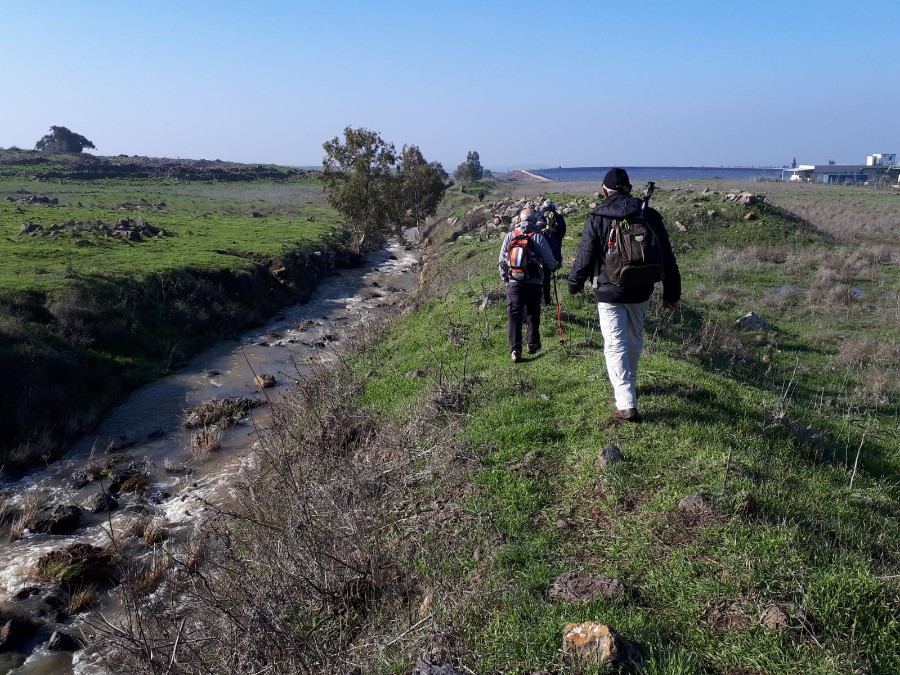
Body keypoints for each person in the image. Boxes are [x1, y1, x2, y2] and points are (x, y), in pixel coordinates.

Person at [567, 168, 681, 422]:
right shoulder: (648, 214)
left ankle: (626, 402)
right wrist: (671, 293)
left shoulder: (597, 216)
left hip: (609, 290)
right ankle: (628, 386)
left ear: (605, 190)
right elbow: (667, 258)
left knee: (615, 344)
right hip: (642, 288)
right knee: (634, 340)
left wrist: (574, 284)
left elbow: (585, 256)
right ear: (628, 188)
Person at [499, 207, 560, 362]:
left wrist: (506, 279)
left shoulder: (510, 236)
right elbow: (548, 259)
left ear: (519, 220)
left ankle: (515, 349)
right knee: (533, 311)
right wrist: (555, 266)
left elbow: (501, 261)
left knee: (515, 314)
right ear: (533, 221)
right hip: (534, 282)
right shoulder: (538, 236)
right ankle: (532, 342)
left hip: (514, 281)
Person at [538, 198, 567, 304]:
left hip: (540, 248)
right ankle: (547, 300)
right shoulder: (558, 216)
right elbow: (563, 230)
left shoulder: (538, 215)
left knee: (539, 275)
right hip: (554, 246)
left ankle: (539, 299)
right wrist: (557, 238)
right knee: (547, 276)